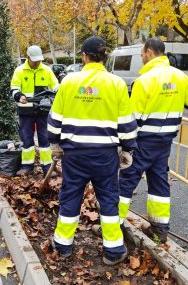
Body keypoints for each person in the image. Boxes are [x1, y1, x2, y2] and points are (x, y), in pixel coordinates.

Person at [47, 36, 137, 265]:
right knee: (108, 199)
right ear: (104, 57)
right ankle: (114, 251)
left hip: (74, 155)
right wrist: (127, 149)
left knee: (70, 196)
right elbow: (127, 123)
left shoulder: (69, 81)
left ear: (84, 57)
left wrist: (55, 143)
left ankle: (63, 245)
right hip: (105, 156)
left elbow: (54, 120)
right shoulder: (116, 84)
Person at [118, 38, 188, 243]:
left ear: (150, 52)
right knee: (159, 183)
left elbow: (132, 119)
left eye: (143, 53)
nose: (142, 57)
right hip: (165, 142)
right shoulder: (181, 77)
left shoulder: (144, 81)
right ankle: (160, 230)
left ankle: (113, 225)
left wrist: (124, 145)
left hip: (143, 142)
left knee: (126, 181)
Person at [10, 45, 59, 176]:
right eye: (35, 60)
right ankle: (27, 166)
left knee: (45, 138)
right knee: (27, 138)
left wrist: (57, 93)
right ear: (28, 58)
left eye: (39, 60)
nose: (37, 63)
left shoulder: (47, 70)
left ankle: (47, 166)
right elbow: (14, 87)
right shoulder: (19, 71)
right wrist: (19, 96)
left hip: (43, 111)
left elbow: (56, 86)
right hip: (26, 111)